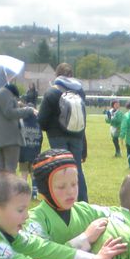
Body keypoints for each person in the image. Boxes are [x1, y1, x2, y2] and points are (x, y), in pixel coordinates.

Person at [37, 63, 90, 201]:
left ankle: (63, 199)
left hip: (57, 135)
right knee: (76, 168)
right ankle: (83, 201)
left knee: (62, 168)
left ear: (57, 75)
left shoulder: (52, 92)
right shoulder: (80, 92)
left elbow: (42, 120)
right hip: (77, 134)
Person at [0, 82, 34, 173]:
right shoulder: (5, 92)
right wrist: (28, 110)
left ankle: (0, 187)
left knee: (1, 165)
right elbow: (9, 112)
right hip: (9, 137)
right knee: (10, 168)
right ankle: (9, 187)